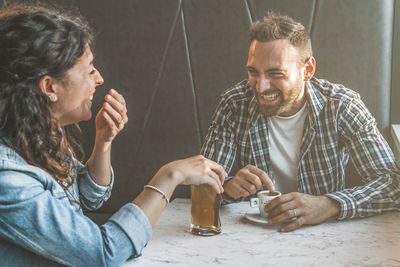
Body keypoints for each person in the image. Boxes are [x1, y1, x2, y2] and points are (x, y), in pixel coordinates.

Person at [0, 4, 226, 266]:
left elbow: (87, 197)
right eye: (89, 69)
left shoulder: (34, 136)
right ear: (50, 87)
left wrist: (103, 141)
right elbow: (103, 253)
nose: (99, 78)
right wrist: (169, 176)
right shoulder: (8, 178)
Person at [201, 12, 400, 232]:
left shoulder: (342, 105)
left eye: (275, 73)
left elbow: (393, 184)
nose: (260, 87)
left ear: (307, 70)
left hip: (324, 235)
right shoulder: (233, 105)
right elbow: (203, 183)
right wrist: (228, 187)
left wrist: (328, 205)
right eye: (253, 72)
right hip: (254, 234)